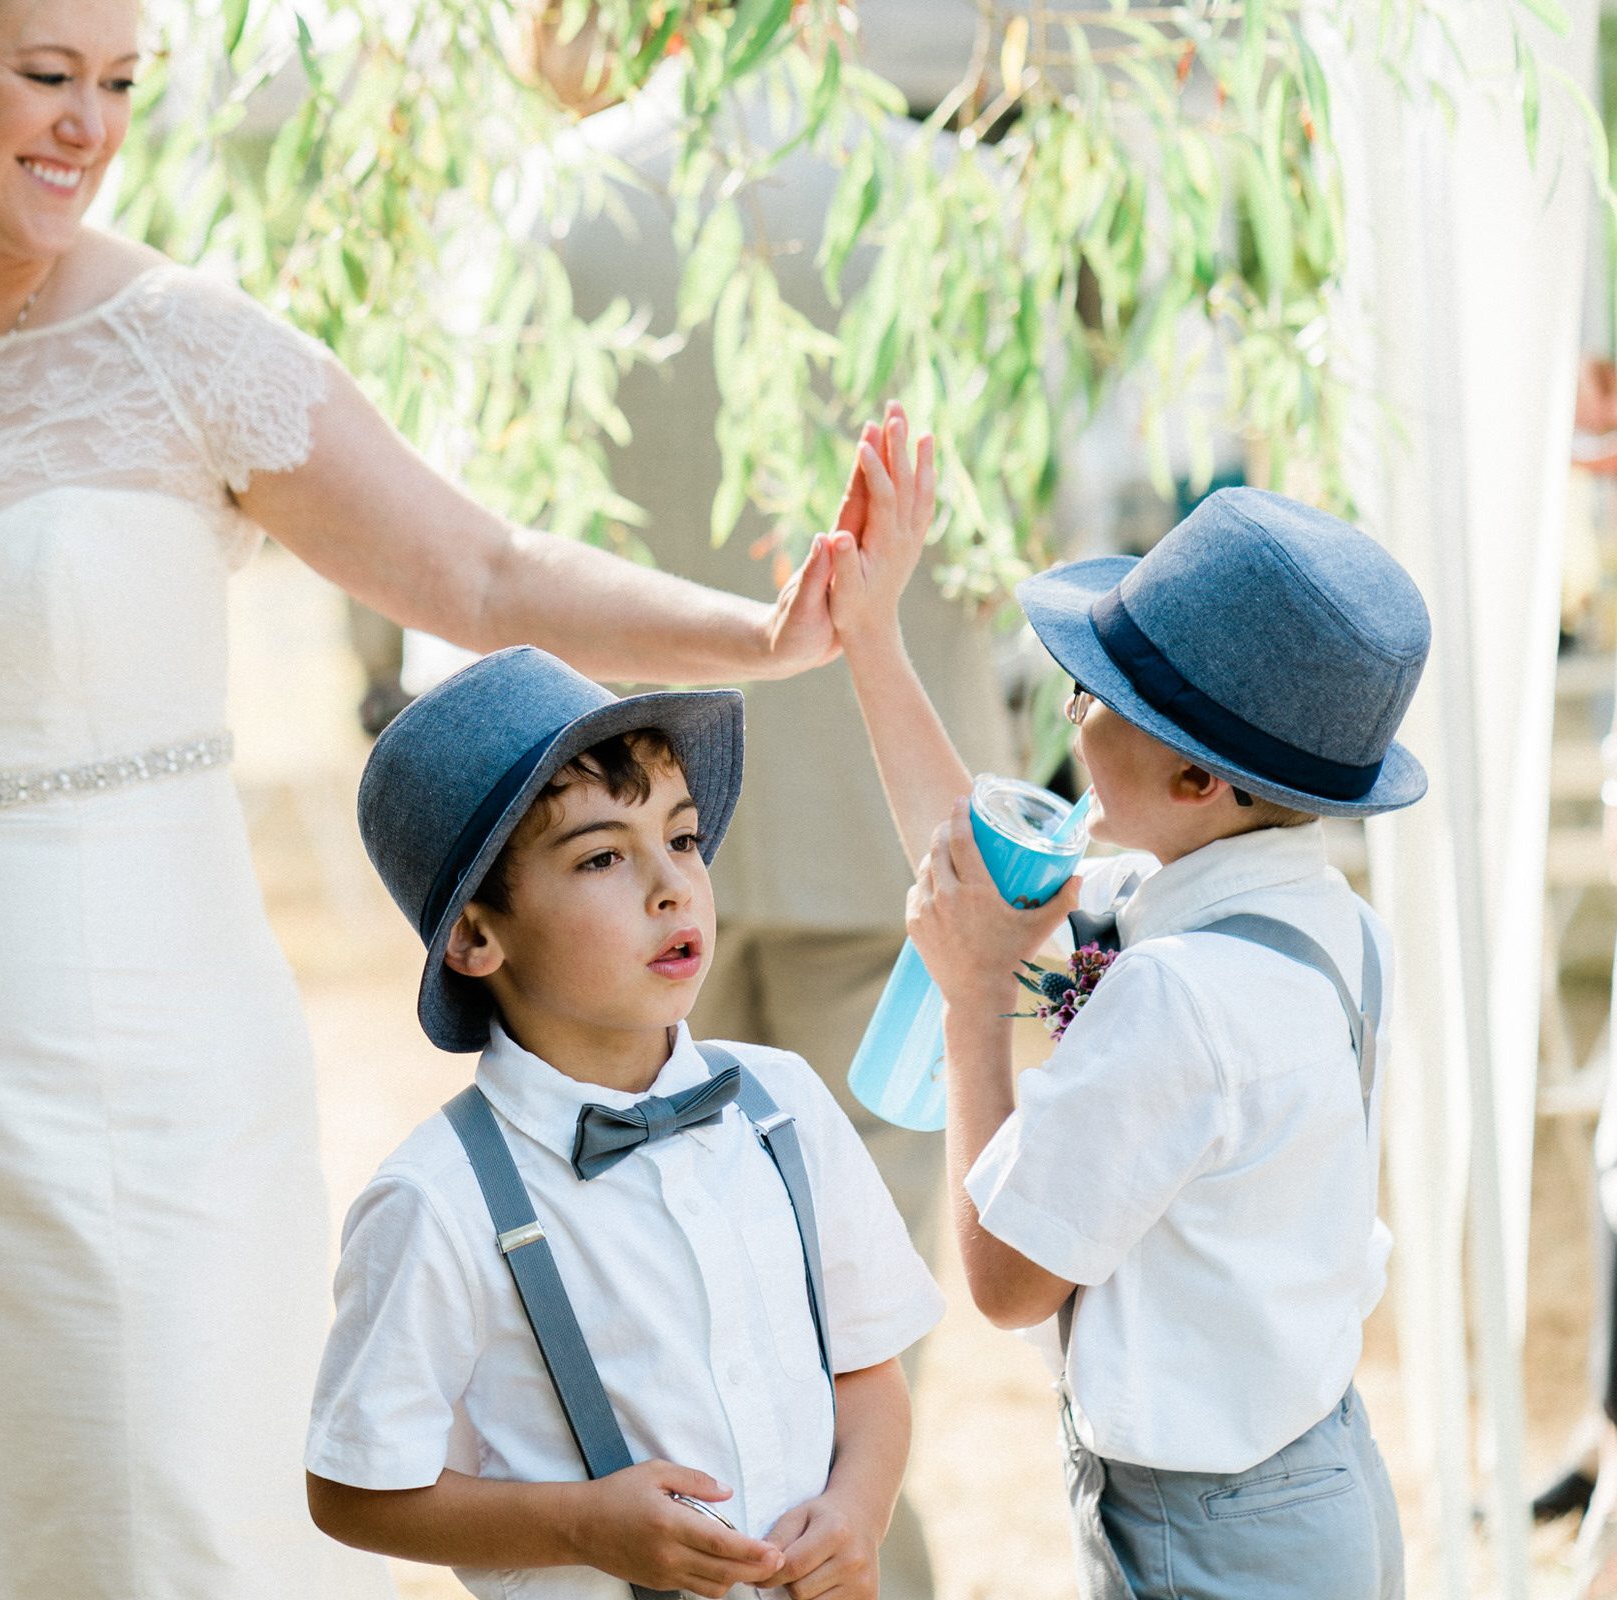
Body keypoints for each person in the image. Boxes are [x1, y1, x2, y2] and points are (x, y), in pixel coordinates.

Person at [0, 0, 856, 1589]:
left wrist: (763, 634)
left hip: (147, 1074)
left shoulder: (184, 346)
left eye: (121, 83)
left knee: (169, 1518)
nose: (92, 122)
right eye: (50, 76)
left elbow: (478, 567)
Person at [529, 13, 1018, 1591]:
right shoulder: (944, 198)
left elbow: (500, 537)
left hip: (614, 844)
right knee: (855, 1316)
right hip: (879, 837)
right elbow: (1020, 526)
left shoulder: (553, 202)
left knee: (646, 1304)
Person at [828, 411, 1420, 1597]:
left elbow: (1003, 1279)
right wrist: (870, 636)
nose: (1066, 711)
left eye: (1096, 694)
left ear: (1196, 779)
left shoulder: (1176, 999)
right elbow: (982, 875)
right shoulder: (1320, 922)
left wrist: (973, 1001)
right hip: (1320, 1483)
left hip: (1206, 1540)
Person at [306, 645, 943, 1599]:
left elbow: (867, 1370)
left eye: (682, 839)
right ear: (478, 934)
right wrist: (579, 1523)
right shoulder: (437, 1202)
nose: (673, 884)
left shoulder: (784, 1107)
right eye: (603, 856)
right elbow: (353, 1490)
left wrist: (859, 1508)